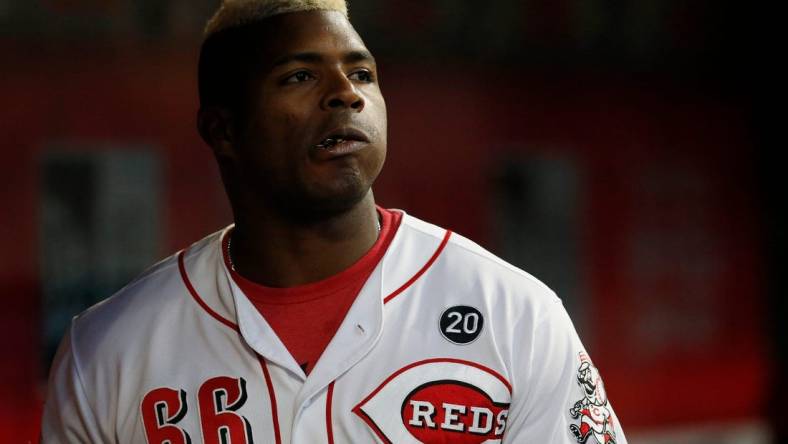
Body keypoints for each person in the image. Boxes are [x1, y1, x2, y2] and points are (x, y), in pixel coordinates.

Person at [41, 0, 627, 442]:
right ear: (223, 129)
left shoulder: (514, 312)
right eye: (300, 76)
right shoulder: (108, 351)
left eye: (362, 74)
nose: (345, 95)